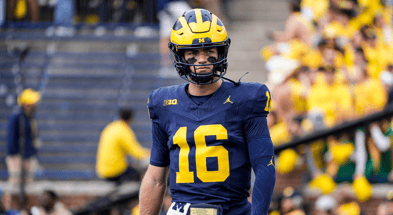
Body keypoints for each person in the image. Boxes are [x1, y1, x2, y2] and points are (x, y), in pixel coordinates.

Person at [139, 9, 276, 215]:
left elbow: (265, 167)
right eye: (193, 52)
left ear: (221, 52)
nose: (202, 59)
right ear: (180, 54)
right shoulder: (163, 103)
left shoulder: (247, 99)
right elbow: (156, 177)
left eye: (209, 50)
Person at [5, 88, 41, 209]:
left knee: (29, 184)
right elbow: (11, 138)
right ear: (27, 104)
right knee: (15, 184)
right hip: (17, 156)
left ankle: (26, 209)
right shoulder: (16, 118)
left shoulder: (31, 118)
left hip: (29, 155)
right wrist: (14, 155)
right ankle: (8, 206)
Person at [96, 108, 150, 185]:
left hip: (103, 170)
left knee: (132, 169)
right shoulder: (124, 130)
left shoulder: (112, 127)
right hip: (115, 171)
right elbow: (136, 152)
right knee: (139, 176)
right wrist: (149, 153)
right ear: (130, 118)